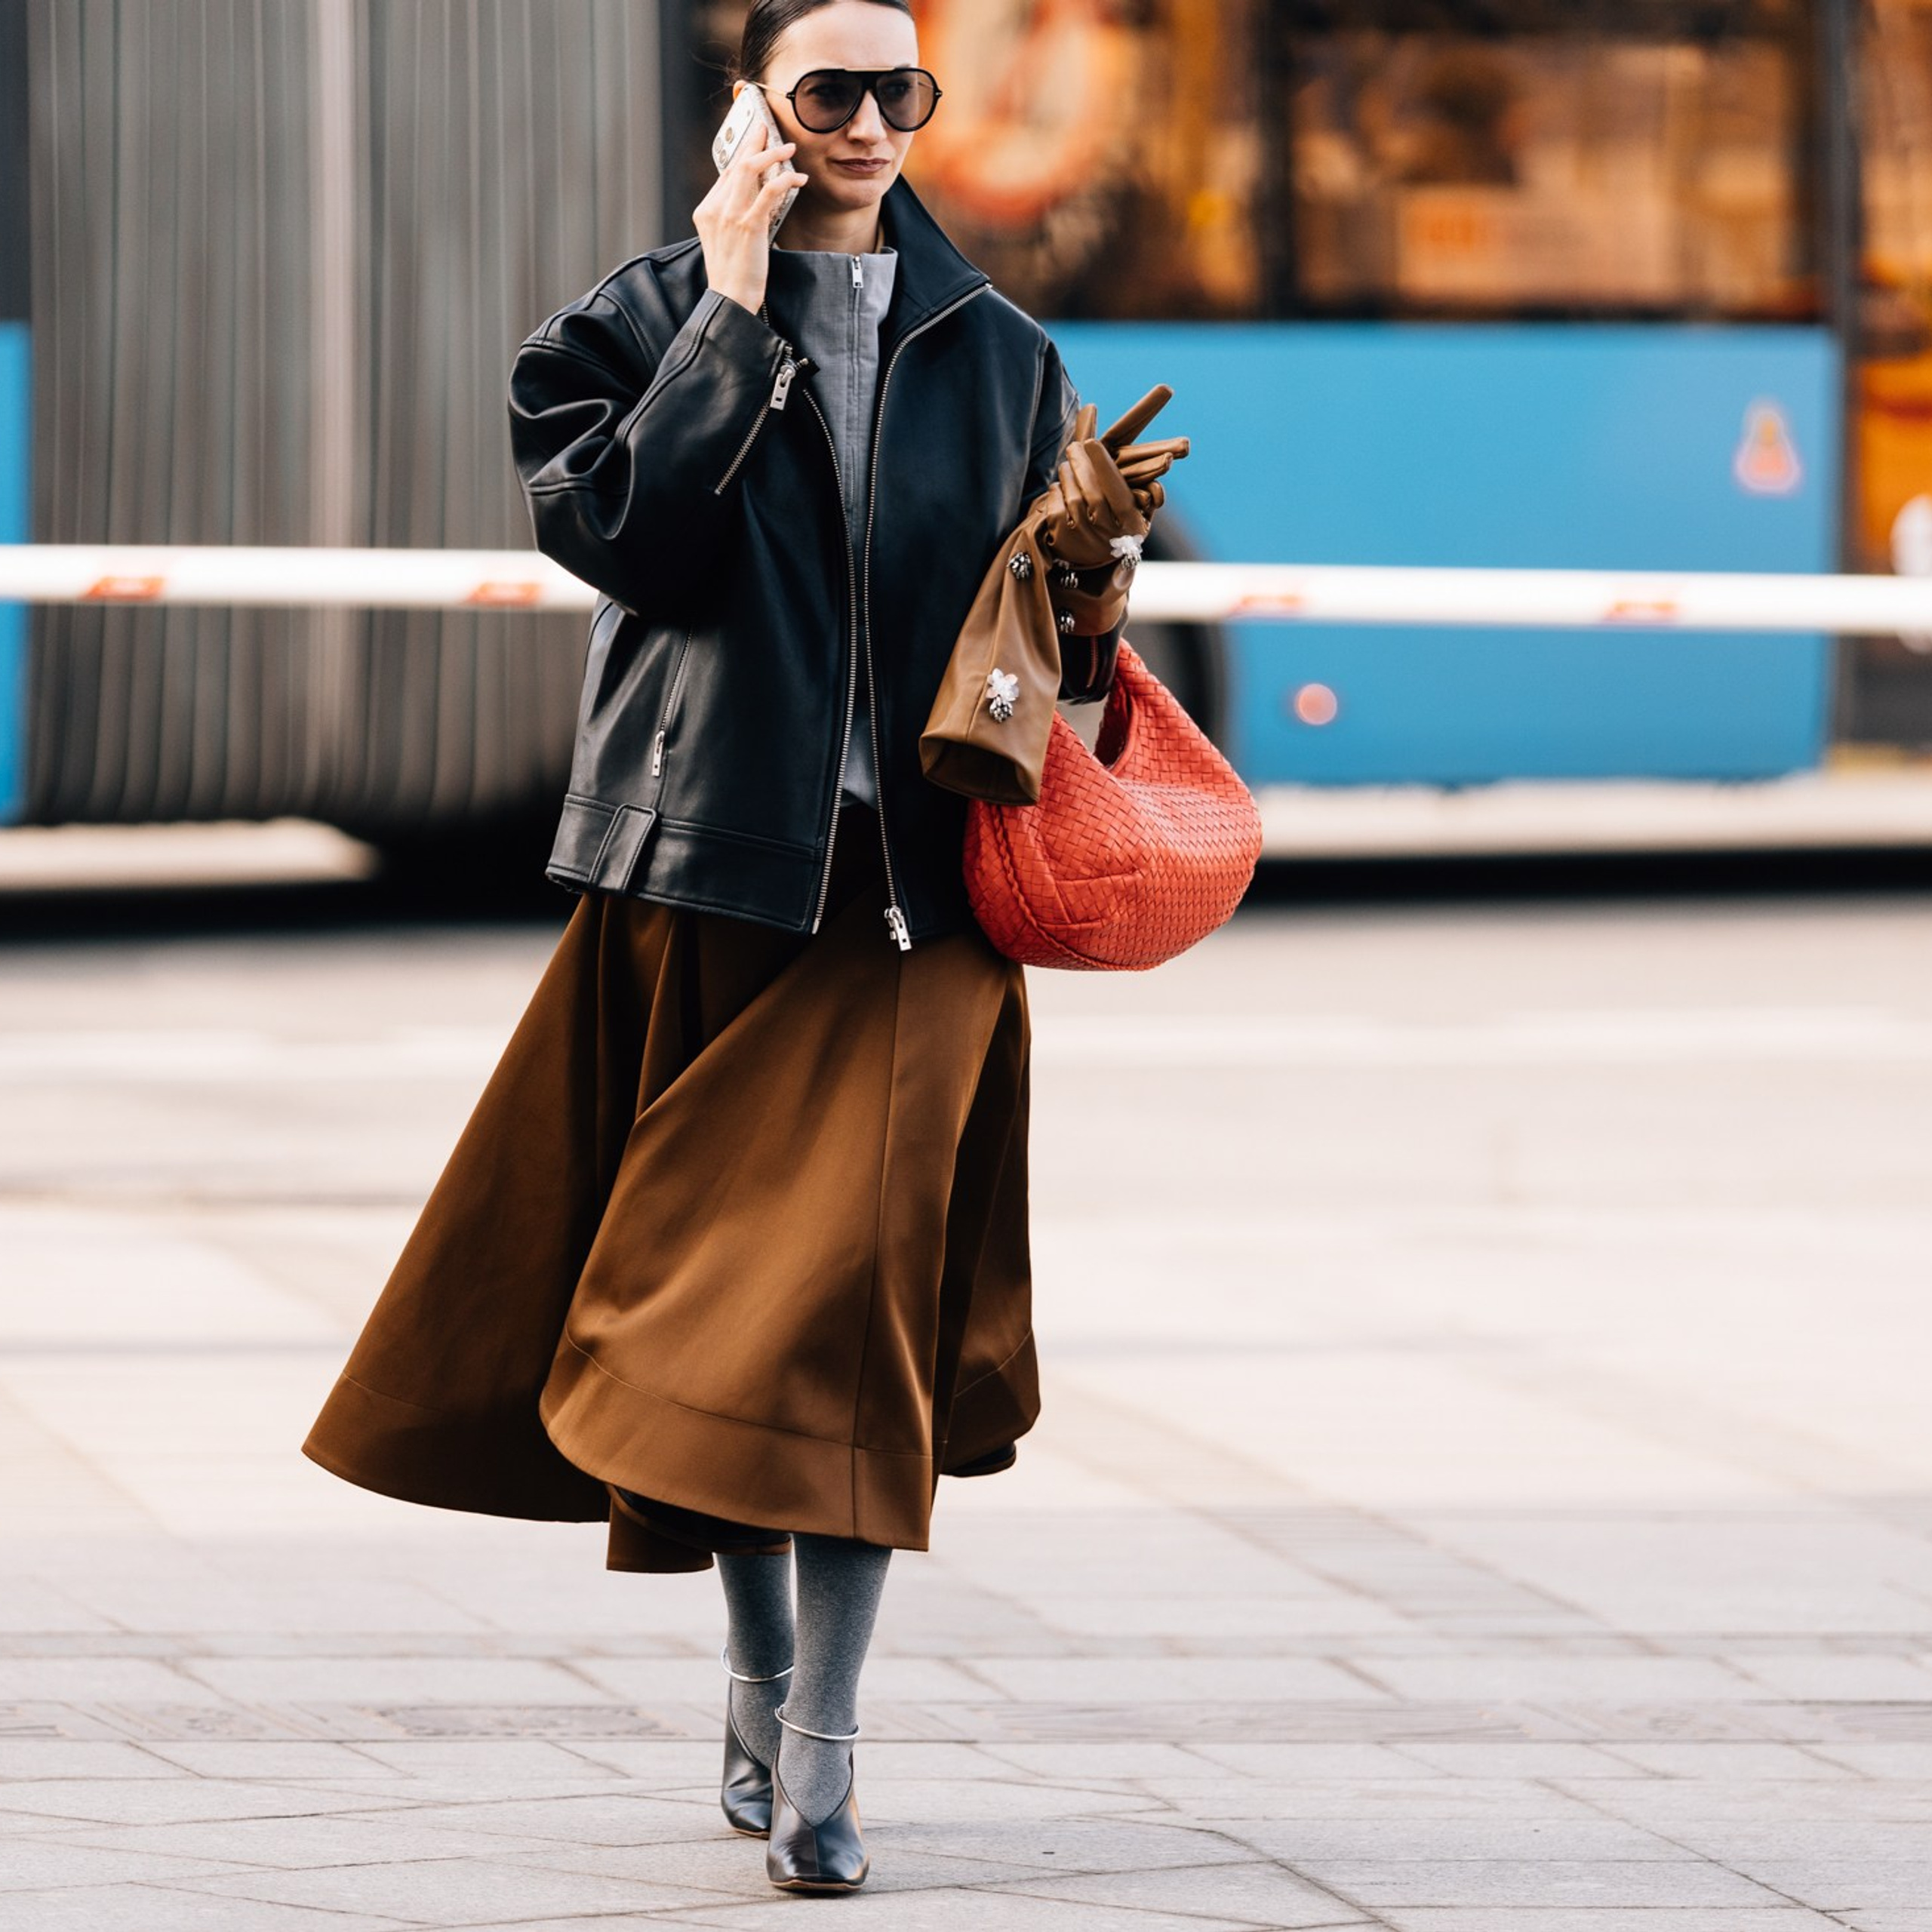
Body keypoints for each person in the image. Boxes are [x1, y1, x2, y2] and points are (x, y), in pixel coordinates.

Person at [301, 0, 1162, 1895]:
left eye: (898, 89)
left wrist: (1092, 577)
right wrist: (735, 306)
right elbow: (629, 541)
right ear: (754, 111)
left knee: (846, 1335)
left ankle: (826, 1754)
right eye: (827, 89)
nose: (868, 119)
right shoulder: (625, 327)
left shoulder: (1000, 349)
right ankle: (760, 1679)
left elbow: (1058, 663)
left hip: (920, 905)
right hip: (706, 880)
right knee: (718, 1329)